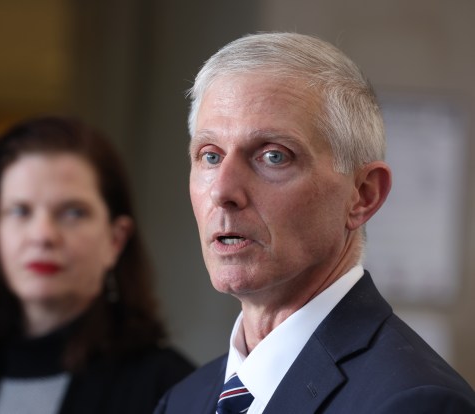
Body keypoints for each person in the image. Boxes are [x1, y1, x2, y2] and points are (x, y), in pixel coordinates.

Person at [156, 32, 475, 413]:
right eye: (210, 156)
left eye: (273, 156)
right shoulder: (183, 400)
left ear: (363, 195)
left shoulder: (414, 402)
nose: (222, 190)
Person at [0, 116, 194, 414]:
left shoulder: (175, 391)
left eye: (73, 212)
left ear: (115, 240)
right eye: (20, 211)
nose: (43, 235)